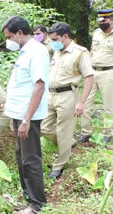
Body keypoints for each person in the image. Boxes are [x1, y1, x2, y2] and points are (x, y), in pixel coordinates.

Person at [2, 16, 49, 214]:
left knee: (30, 159)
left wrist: (26, 120)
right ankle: (29, 198)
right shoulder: (25, 52)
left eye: (9, 36)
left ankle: (37, 205)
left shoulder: (37, 52)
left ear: (20, 33)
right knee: (21, 156)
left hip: (28, 116)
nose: (8, 41)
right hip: (19, 114)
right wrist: (15, 118)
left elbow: (39, 86)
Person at [41, 22, 94, 179]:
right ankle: (67, 144)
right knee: (43, 127)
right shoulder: (57, 51)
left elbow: (89, 77)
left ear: (65, 36)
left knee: (63, 131)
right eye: (50, 40)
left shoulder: (80, 52)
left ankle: (59, 166)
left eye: (55, 39)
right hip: (51, 94)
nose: (53, 42)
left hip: (67, 96)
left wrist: (81, 102)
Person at [78, 9, 113, 145]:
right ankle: (85, 132)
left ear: (111, 19)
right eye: (100, 21)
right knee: (85, 102)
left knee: (108, 106)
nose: (101, 23)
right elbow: (92, 51)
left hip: (108, 73)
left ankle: (108, 133)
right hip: (92, 71)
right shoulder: (97, 33)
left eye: (104, 21)